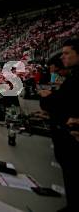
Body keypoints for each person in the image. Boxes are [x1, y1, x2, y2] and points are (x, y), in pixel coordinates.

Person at [39, 39, 79, 212]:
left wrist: (48, 98)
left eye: (66, 53)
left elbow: (56, 103)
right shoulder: (73, 76)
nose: (62, 56)